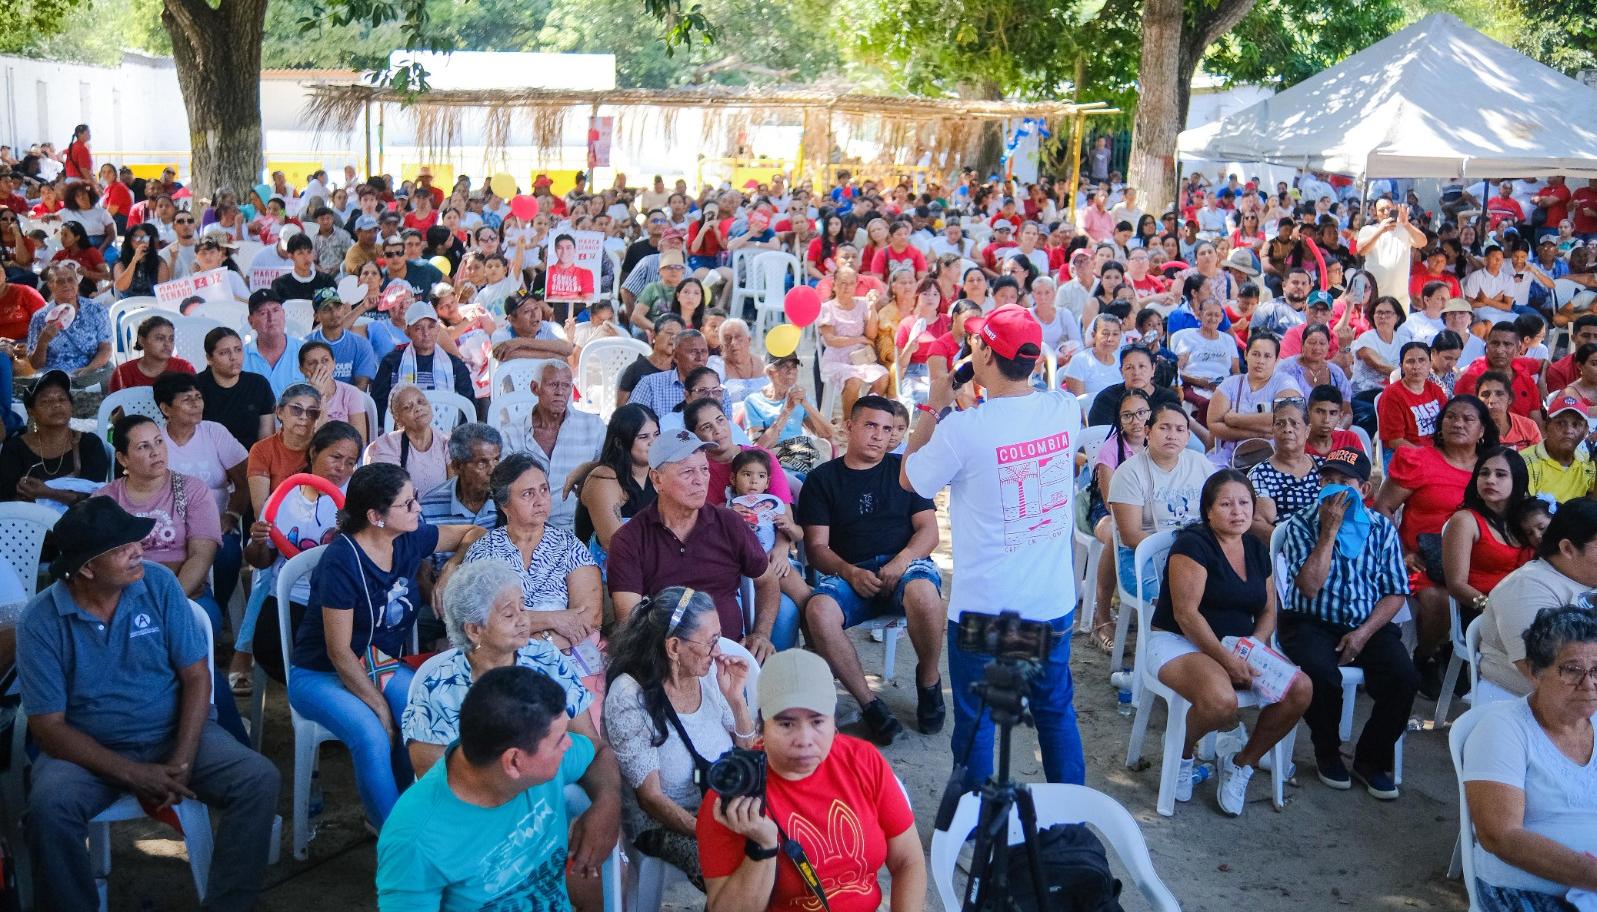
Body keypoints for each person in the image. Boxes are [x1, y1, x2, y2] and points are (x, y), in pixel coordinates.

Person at [19, 497, 280, 912]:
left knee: (258, 779)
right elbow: (48, 727)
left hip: (170, 731)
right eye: (123, 548)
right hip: (88, 751)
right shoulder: (40, 621)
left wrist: (181, 759)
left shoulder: (157, 584)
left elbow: (197, 677)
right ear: (87, 567)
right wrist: (133, 773)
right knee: (49, 808)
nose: (139, 550)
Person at [902, 304, 1086, 788]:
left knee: (979, 720)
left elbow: (911, 478)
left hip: (988, 612)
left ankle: (976, 829)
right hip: (1050, 604)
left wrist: (934, 405)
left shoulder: (965, 429)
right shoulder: (1065, 408)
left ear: (984, 351)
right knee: (1054, 711)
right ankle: (1068, 827)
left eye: (976, 342)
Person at [288, 463, 487, 828]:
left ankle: (419, 815)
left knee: (427, 712)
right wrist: (378, 704)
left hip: (377, 663)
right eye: (408, 504)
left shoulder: (408, 537)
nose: (418, 509)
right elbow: (338, 651)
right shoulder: (341, 562)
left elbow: (473, 533)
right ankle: (395, 840)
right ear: (376, 516)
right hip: (320, 672)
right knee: (372, 732)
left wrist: (450, 567)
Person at [695, 648, 925, 912]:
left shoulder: (863, 761)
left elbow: (909, 861)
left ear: (834, 724)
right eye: (786, 724)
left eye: (817, 722)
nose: (804, 740)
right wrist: (762, 848)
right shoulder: (735, 794)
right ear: (763, 727)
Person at [376, 665, 621, 912]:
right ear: (514, 762)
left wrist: (607, 804)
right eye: (559, 740)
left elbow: (599, 752)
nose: (569, 744)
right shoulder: (414, 841)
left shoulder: (526, 752)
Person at [1150, 470, 1313, 815]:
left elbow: (1270, 609)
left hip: (1236, 645)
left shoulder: (1255, 546)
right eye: (1225, 504)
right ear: (1208, 511)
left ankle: (1242, 763)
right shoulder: (1193, 544)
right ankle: (1182, 750)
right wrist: (1228, 660)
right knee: (1221, 701)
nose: (1237, 511)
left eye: (1244, 503)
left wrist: (1254, 645)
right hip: (1179, 642)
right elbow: (1186, 615)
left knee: (1301, 689)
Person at [798, 396, 943, 744]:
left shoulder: (905, 470)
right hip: (851, 574)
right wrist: (849, 572)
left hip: (906, 568)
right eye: (871, 425)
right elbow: (817, 548)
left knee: (924, 592)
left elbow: (929, 531)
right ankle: (870, 704)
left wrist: (901, 561)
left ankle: (928, 678)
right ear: (850, 427)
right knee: (818, 610)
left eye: (888, 428)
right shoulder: (822, 480)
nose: (880, 435)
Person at [1276, 448, 1417, 798]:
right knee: (1322, 675)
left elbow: (1395, 592)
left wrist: (1364, 633)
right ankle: (1327, 752)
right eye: (1327, 481)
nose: (1334, 491)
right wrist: (1328, 533)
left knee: (1404, 677)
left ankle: (1370, 759)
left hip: (1366, 622)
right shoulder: (1301, 524)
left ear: (1364, 490)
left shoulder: (1382, 529)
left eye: (1344, 483)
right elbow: (1308, 588)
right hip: (1310, 620)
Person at [603, 586, 755, 889]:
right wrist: (714, 830)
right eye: (711, 642)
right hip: (664, 823)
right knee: (739, 870)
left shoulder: (708, 673)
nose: (719, 651)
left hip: (721, 802)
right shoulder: (629, 696)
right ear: (673, 648)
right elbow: (652, 799)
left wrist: (737, 701)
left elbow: (748, 754)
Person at [608, 430, 795, 658]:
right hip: (668, 659)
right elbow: (629, 620)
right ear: (657, 480)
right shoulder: (630, 539)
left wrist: (761, 634)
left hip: (729, 656)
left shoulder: (728, 522)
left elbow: (766, 580)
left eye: (704, 469)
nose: (700, 480)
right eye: (687, 472)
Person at [1461, 605, 1597, 910]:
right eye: (1572, 669)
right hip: (1523, 889)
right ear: (1535, 672)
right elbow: (1500, 836)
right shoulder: (1503, 730)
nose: (1588, 685)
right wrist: (1592, 875)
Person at [460, 454, 606, 713]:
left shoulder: (569, 546)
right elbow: (481, 624)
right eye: (527, 494)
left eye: (544, 490)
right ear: (504, 504)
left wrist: (530, 642)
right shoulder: (484, 553)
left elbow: (589, 617)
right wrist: (555, 619)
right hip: (502, 665)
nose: (540, 501)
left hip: (566, 658)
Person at [1480, 499, 1597, 700]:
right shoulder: (1525, 588)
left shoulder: (1584, 576)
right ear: (1568, 549)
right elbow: (1549, 676)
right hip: (1531, 706)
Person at [1108, 400, 1216, 599]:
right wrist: (1182, 551)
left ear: (1188, 436)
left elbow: (1216, 511)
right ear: (1148, 431)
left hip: (1198, 552)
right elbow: (1131, 536)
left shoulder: (1200, 463)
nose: (1172, 435)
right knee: (1182, 597)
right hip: (1144, 556)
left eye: (1179, 429)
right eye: (1164, 428)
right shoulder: (1129, 472)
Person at [1440, 445, 1534, 635]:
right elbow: (1456, 586)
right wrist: (1494, 610)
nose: (1490, 480)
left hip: (1525, 607)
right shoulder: (1465, 521)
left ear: (1517, 481)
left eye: (1500, 475)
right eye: (1484, 473)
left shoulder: (1526, 519)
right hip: (1480, 611)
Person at [501, 360, 604, 532]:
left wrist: (589, 469)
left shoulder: (593, 426)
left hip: (578, 528)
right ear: (535, 388)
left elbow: (611, 468)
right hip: (526, 530)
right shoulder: (511, 434)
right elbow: (504, 489)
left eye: (566, 386)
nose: (560, 392)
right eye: (553, 385)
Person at [572, 404, 661, 575]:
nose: (653, 442)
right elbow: (615, 545)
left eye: (656, 434)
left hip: (651, 569)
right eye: (643, 437)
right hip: (606, 579)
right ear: (620, 442)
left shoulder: (658, 471)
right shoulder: (604, 479)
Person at [0, 370, 110, 509]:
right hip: (29, 526)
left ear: (71, 407)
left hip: (80, 526)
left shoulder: (89, 444)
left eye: (62, 399)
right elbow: (6, 499)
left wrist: (48, 493)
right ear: (31, 412)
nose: (56, 405)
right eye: (46, 401)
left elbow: (95, 499)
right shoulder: (15, 448)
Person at [1207, 333, 1303, 467]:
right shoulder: (1230, 384)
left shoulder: (1285, 382)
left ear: (1276, 360)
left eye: (1267, 356)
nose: (1261, 361)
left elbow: (1288, 418)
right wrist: (1257, 433)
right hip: (1229, 458)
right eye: (1256, 354)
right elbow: (1214, 423)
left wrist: (1235, 420)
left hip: (1274, 458)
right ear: (1246, 354)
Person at [371, 301, 474, 423]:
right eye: (418, 328)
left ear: (438, 330)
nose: (426, 333)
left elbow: (469, 407)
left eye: (431, 327)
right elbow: (379, 405)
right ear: (407, 332)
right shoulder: (392, 363)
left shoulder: (454, 366)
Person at [683, 399, 792, 507]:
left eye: (720, 420)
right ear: (694, 436)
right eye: (706, 427)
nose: (718, 430)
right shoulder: (696, 472)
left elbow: (785, 514)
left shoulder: (762, 458)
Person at [817, 268, 890, 420]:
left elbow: (871, 335)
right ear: (834, 284)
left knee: (883, 376)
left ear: (856, 285)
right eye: (842, 283)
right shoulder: (827, 308)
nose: (846, 287)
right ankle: (848, 423)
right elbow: (830, 340)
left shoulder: (863, 304)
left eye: (851, 283)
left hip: (860, 359)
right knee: (854, 380)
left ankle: (864, 415)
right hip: (836, 359)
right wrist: (859, 339)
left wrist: (871, 308)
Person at [26, 262, 111, 387]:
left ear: (77, 282)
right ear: (50, 285)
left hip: (92, 372)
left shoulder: (96, 310)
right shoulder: (41, 317)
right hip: (54, 378)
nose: (66, 285)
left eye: (70, 280)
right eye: (60, 281)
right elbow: (35, 364)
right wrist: (43, 341)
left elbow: (106, 348)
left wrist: (88, 370)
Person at [246, 383, 324, 516]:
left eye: (312, 412)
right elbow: (261, 511)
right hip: (275, 524)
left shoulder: (324, 448)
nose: (304, 416)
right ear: (279, 412)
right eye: (296, 409)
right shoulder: (262, 450)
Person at [1248, 399, 1323, 536]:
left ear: (1307, 430)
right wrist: (1293, 542)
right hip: (1284, 546)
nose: (1287, 429)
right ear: (1273, 430)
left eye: (1294, 424)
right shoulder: (1260, 474)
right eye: (1280, 424)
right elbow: (1259, 522)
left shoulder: (1325, 468)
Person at [196, 327, 278, 449]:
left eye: (238, 350)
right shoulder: (195, 387)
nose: (233, 357)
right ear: (209, 358)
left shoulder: (258, 384)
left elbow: (266, 438)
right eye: (224, 352)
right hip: (209, 460)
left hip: (252, 459)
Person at [629, 328, 731, 423]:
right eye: (693, 352)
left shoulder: (719, 391)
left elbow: (727, 431)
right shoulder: (651, 384)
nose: (700, 358)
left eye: (704, 352)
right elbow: (631, 422)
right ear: (676, 356)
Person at [366, 383, 450, 495]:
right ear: (397, 418)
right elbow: (388, 494)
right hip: (404, 510)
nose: (418, 408)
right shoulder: (388, 445)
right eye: (407, 407)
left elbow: (452, 491)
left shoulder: (446, 442)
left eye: (421, 402)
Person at [1455, 321, 1545, 425]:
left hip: (1523, 438)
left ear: (1519, 349)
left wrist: (1541, 381)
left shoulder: (1524, 375)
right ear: (1487, 346)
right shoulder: (1473, 375)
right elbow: (1461, 418)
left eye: (1507, 344)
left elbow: (1538, 423)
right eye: (1495, 343)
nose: (1500, 350)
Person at [742, 352, 833, 452]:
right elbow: (758, 448)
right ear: (770, 372)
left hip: (800, 454)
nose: (791, 371)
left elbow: (826, 433)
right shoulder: (753, 401)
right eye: (784, 366)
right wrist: (786, 411)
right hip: (772, 459)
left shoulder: (800, 397)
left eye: (794, 366)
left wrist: (805, 403)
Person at [1520, 397, 1596, 504]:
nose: (1568, 430)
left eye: (1576, 424)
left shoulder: (1586, 463)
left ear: (1585, 431)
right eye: (1560, 423)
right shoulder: (1524, 461)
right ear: (1546, 426)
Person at [1377, 340, 1448, 453]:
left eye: (1422, 360)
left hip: (1437, 451)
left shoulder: (1435, 390)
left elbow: (1447, 424)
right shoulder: (1392, 394)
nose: (1416, 366)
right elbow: (1395, 441)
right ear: (1402, 366)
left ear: (1430, 364)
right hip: (1408, 454)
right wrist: (1427, 456)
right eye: (1410, 361)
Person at [1356, 198, 1426, 309]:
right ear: (1375, 213)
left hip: (1400, 295)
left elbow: (1422, 242)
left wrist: (1406, 224)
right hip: (1375, 292)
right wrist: (1380, 231)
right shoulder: (1368, 230)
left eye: (1388, 208)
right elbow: (1361, 250)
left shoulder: (1404, 228)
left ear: (1394, 209)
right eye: (1381, 210)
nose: (1385, 212)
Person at [616, 314, 682, 407]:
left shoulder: (681, 369)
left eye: (678, 335)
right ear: (654, 334)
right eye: (670, 333)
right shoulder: (636, 369)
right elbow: (621, 409)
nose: (674, 338)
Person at [1476, 370, 1542, 451]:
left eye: (1499, 394)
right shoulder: (1471, 428)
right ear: (1477, 399)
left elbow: (1538, 460)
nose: (1492, 400)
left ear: (1510, 399)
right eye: (1485, 395)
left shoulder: (1529, 426)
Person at [1065, 313, 1126, 398]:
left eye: (1115, 334)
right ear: (1094, 335)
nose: (1110, 339)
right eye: (1105, 333)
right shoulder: (1079, 361)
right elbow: (1077, 404)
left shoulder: (1123, 361)